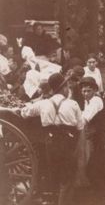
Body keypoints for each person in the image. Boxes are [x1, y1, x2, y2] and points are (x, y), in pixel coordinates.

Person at [20, 73, 84, 205]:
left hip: (51, 144)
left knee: (53, 174)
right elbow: (80, 126)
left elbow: (24, 112)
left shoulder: (43, 104)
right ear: (64, 88)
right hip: (69, 144)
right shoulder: (73, 104)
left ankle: (52, 201)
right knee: (68, 177)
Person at [75, 77, 104, 187]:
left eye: (88, 91)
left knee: (88, 157)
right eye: (83, 91)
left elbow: (85, 118)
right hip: (91, 133)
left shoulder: (96, 101)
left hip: (98, 135)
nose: (86, 93)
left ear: (95, 90)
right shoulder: (87, 101)